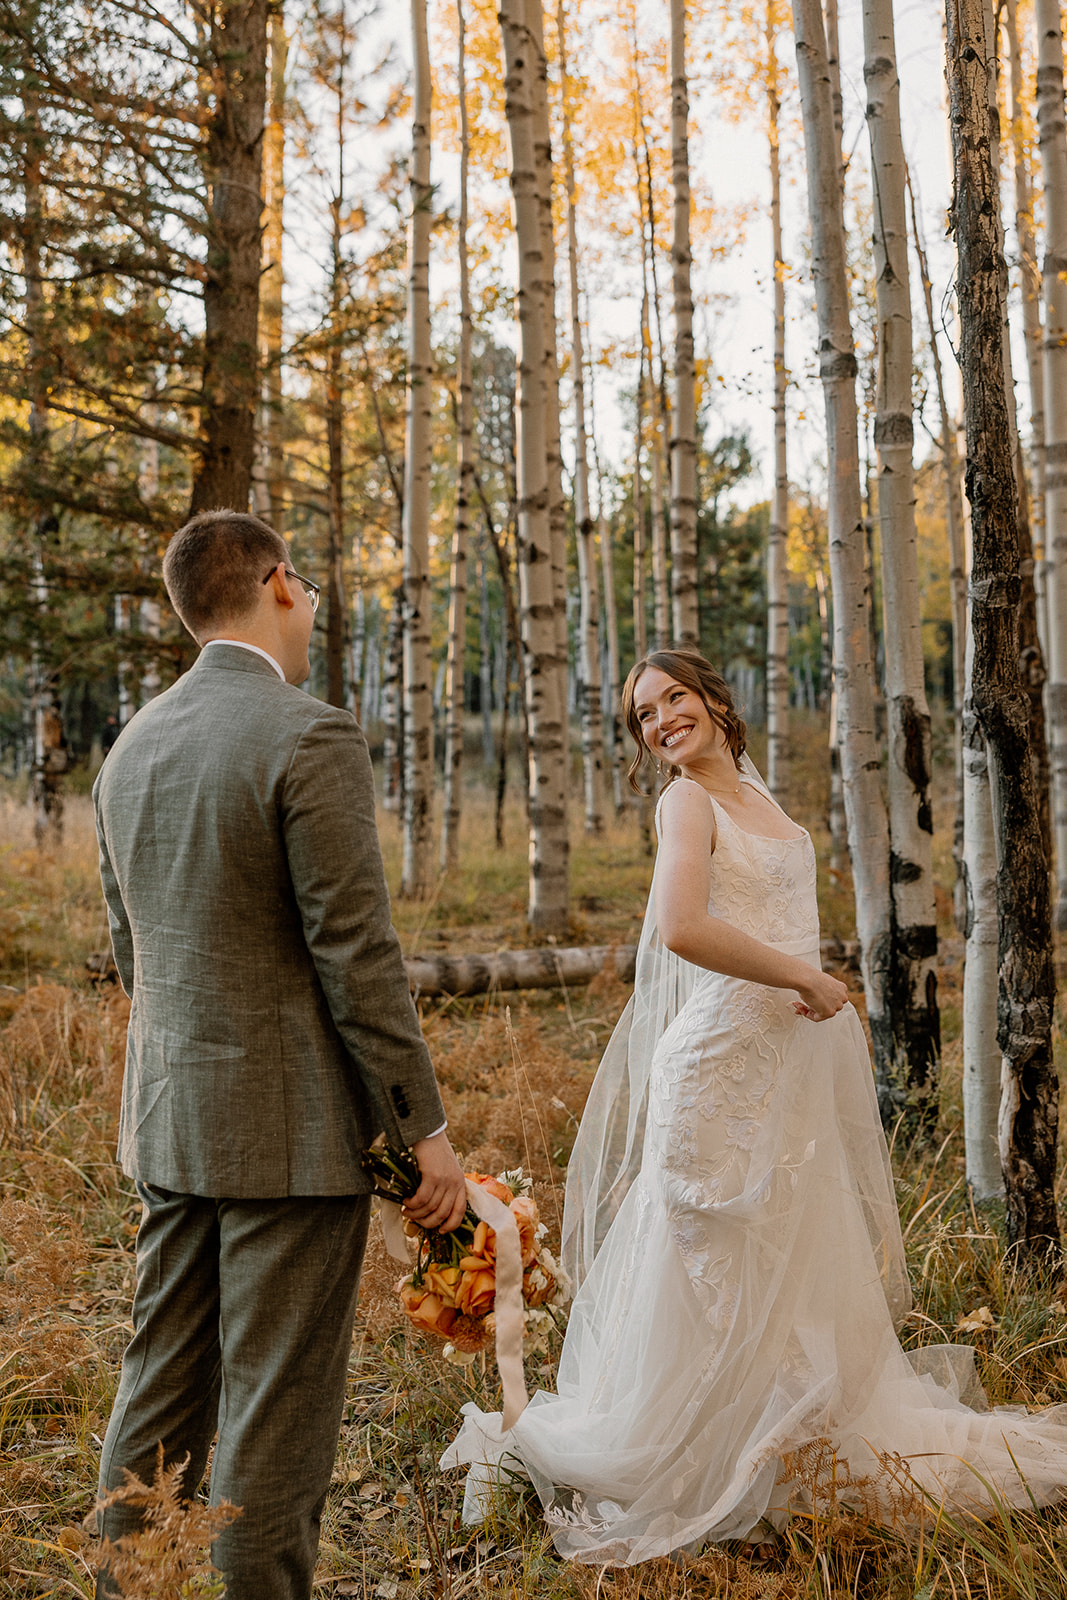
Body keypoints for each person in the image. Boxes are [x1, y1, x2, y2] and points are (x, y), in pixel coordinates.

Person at [443, 647, 1067, 1563]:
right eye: (643, 716)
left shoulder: (763, 801)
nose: (660, 721)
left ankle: (793, 1441)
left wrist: (805, 992)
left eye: (672, 699)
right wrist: (803, 977)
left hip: (783, 1061)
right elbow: (682, 927)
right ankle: (703, 1449)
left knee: (791, 1250)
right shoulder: (684, 802)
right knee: (715, 1264)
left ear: (712, 700)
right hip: (718, 1067)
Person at [93, 509, 467, 1600]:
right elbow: (357, 958)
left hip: (168, 1115)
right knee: (275, 1407)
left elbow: (132, 951)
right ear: (278, 583)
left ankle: (122, 1588)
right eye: (303, 586)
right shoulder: (307, 733)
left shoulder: (133, 746)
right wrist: (422, 1135)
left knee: (157, 1375)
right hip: (292, 1135)